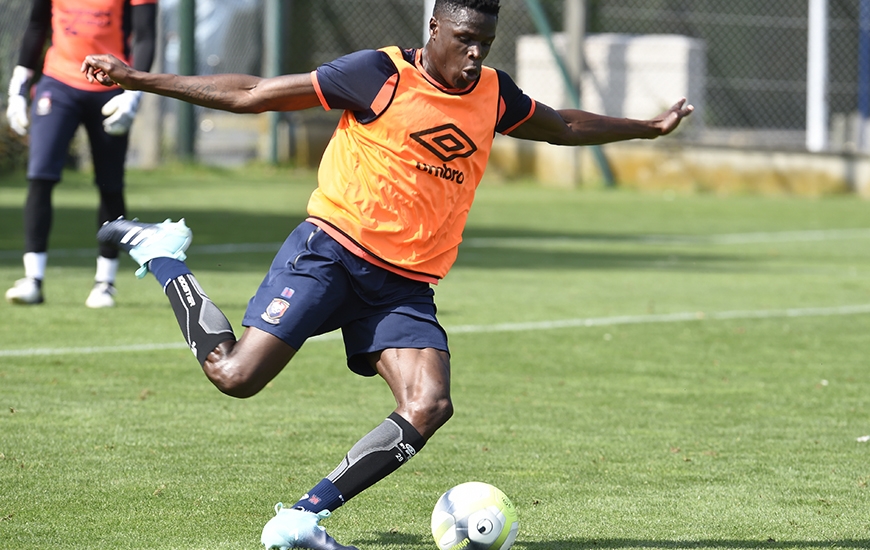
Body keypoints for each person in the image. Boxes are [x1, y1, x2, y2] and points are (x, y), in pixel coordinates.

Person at [82, 0, 693, 548]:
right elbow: (255, 92)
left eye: (486, 41)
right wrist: (140, 79)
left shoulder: (494, 94)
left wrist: (649, 127)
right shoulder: (379, 74)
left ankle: (302, 516)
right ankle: (163, 254)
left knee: (429, 404)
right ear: (434, 28)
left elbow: (562, 126)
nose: (475, 53)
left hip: (403, 286)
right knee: (235, 375)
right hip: (331, 254)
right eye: (464, 38)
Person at [4, 0, 158, 308]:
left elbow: (145, 36)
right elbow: (36, 26)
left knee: (110, 184)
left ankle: (105, 283)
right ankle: (32, 279)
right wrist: (18, 88)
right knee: (40, 176)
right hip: (58, 83)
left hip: (110, 83)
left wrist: (133, 92)